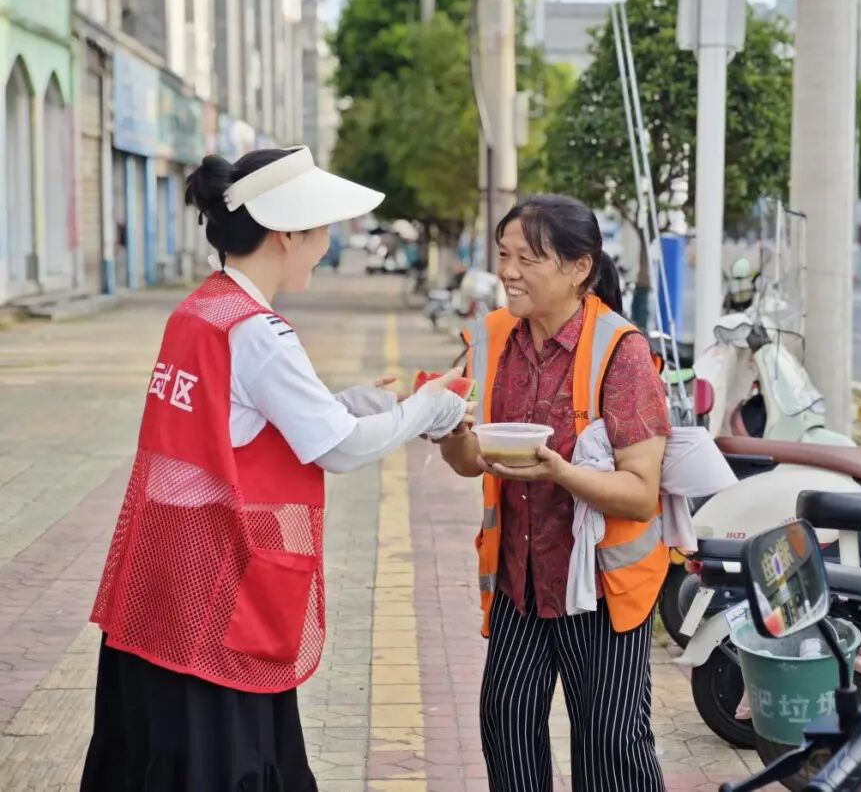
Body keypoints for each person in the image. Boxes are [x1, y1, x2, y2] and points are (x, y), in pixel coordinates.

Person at [81, 146, 471, 792]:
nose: (325, 245)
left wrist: (372, 405)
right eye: (321, 231)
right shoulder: (258, 332)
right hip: (217, 587)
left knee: (156, 756)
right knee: (225, 764)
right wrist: (429, 407)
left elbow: (254, 425)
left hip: (162, 585)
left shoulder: (200, 311)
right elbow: (338, 446)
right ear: (287, 233)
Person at [438, 194, 671, 791]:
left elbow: (642, 494)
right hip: (521, 581)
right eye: (504, 255)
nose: (508, 272)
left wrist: (560, 472)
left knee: (611, 748)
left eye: (528, 258)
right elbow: (470, 460)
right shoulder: (492, 340)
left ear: (578, 268)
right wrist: (444, 426)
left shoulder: (622, 352)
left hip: (598, 590)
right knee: (506, 726)